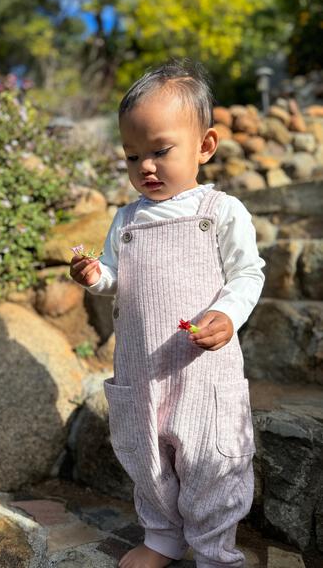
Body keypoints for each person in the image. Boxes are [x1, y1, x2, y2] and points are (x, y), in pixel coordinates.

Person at [69, 58, 266, 568]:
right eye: (132, 157)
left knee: (210, 462)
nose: (146, 168)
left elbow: (248, 274)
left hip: (203, 374)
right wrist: (96, 276)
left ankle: (214, 549)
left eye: (160, 151)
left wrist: (226, 314)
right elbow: (116, 275)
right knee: (148, 459)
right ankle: (162, 537)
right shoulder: (126, 219)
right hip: (140, 371)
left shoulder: (220, 212)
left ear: (205, 146)